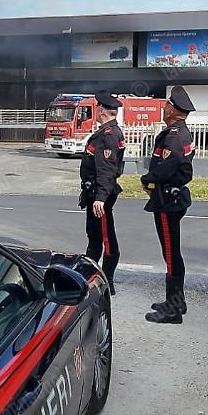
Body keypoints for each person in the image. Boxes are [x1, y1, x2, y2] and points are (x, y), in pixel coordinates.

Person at [141, 86, 196, 324]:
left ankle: (173, 311)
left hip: (167, 201)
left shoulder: (174, 135)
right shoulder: (180, 132)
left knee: (172, 256)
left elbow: (168, 167)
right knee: (171, 253)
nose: (163, 108)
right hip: (172, 198)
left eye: (166, 105)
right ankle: (176, 301)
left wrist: (147, 179)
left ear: (173, 109)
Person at [79, 91, 125, 293]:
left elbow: (107, 170)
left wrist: (100, 198)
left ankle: (107, 282)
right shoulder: (106, 133)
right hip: (95, 194)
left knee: (107, 238)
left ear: (102, 111)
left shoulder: (108, 136)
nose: (95, 112)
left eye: (97, 108)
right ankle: (88, 276)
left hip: (101, 196)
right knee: (94, 236)